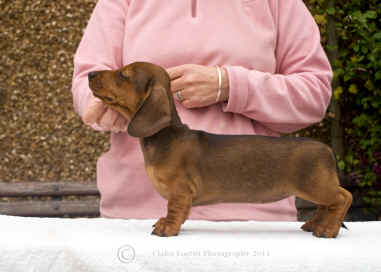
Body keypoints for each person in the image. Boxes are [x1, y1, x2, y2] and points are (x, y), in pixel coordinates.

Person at [72, 0, 332, 221]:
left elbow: (315, 93)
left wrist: (230, 85)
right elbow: (88, 79)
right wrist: (101, 108)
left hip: (251, 217)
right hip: (139, 216)